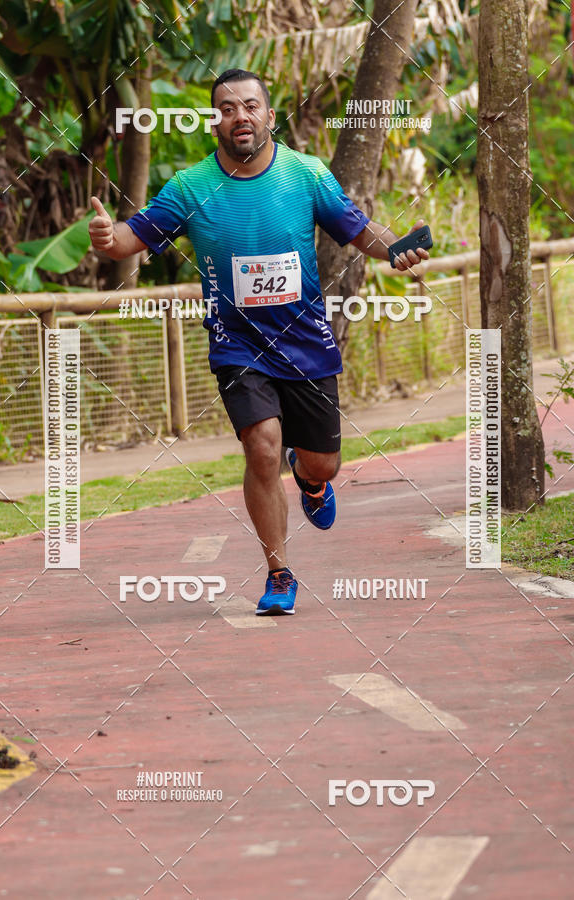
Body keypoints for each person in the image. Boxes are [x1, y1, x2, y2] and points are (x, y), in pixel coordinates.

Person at [88, 68, 430, 616]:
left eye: (250, 106)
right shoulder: (191, 187)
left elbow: (359, 230)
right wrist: (109, 240)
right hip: (237, 346)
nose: (238, 116)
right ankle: (279, 573)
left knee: (322, 464)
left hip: (306, 344)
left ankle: (312, 481)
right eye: (226, 108)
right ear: (215, 121)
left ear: (270, 116)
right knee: (262, 445)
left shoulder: (306, 174)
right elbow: (131, 237)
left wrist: (396, 249)